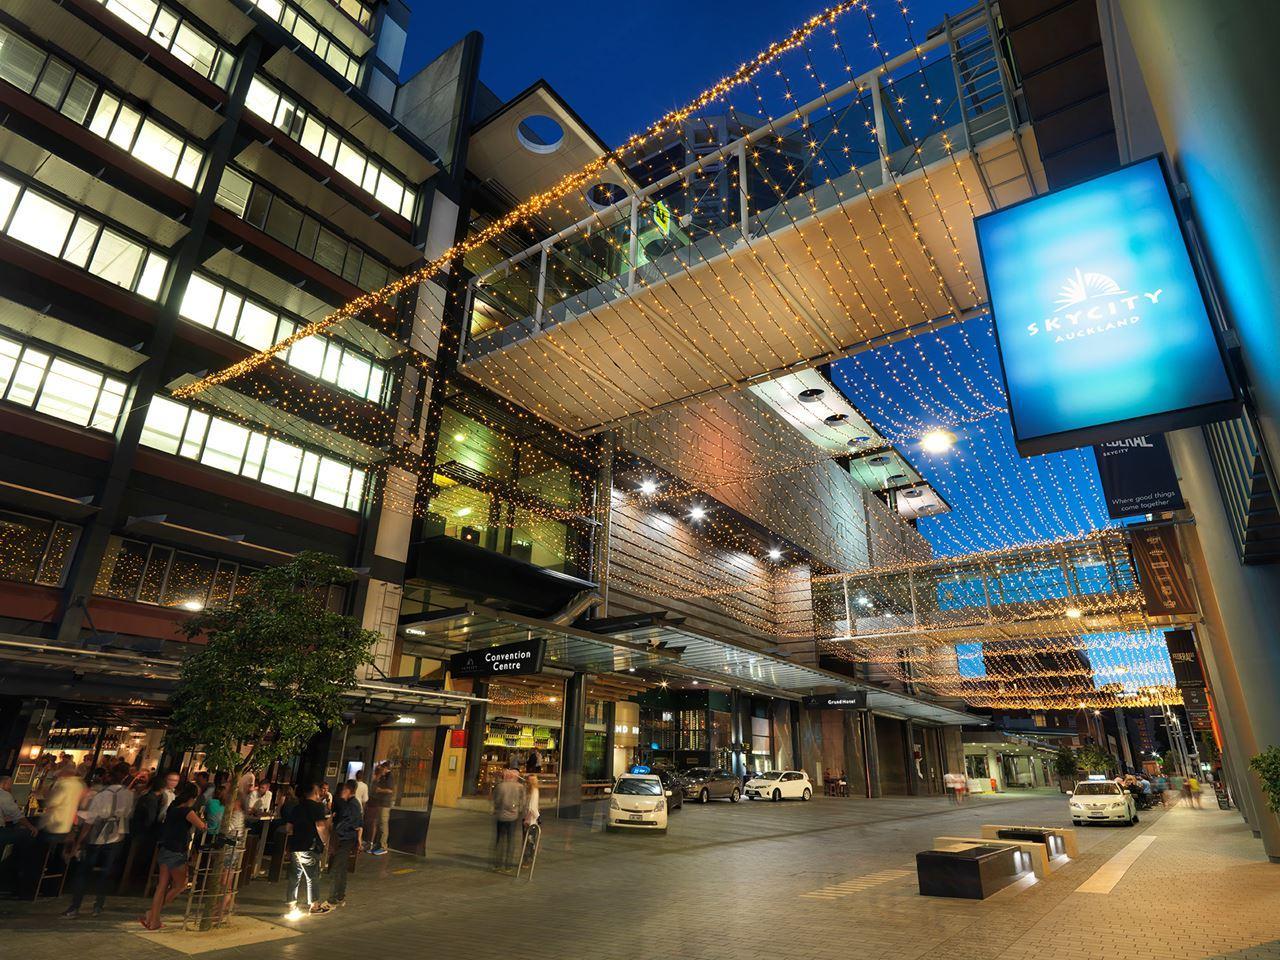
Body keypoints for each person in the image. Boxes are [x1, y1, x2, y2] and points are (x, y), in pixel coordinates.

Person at [65, 763, 135, 918]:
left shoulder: (101, 795)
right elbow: (129, 814)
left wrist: (78, 841)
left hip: (97, 836)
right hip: (117, 835)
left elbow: (90, 819)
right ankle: (98, 905)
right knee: (106, 872)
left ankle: (75, 906)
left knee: (84, 871)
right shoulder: (129, 794)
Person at [141, 782, 204, 930]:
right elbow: (202, 826)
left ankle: (153, 918)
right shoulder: (187, 811)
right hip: (176, 851)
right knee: (181, 884)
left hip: (165, 848)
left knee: (162, 886)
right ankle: (153, 914)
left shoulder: (173, 808)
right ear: (193, 797)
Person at [284, 782, 330, 916]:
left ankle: (291, 904)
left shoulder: (296, 808)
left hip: (296, 846)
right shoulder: (318, 807)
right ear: (315, 793)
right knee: (312, 876)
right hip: (310, 845)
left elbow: (288, 828)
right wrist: (326, 841)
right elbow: (320, 826)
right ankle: (314, 905)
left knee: (294, 876)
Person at [325, 780, 362, 908]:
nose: (342, 792)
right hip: (347, 839)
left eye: (344, 790)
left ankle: (333, 898)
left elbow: (351, 823)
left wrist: (335, 830)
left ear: (348, 790)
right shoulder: (353, 804)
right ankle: (339, 896)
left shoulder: (352, 805)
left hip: (345, 839)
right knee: (341, 868)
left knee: (336, 868)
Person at [0, 774, 37, 892]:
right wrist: (30, 826)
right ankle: (18, 878)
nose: (11, 787)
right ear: (4, 784)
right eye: (10, 784)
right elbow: (16, 814)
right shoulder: (4, 795)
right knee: (27, 836)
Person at [492, 769, 524, 873]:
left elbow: (496, 800)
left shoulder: (500, 786)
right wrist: (518, 811)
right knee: (511, 840)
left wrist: (497, 809)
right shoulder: (520, 787)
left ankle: (498, 863)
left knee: (500, 839)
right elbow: (522, 802)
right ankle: (508, 865)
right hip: (513, 817)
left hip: (501, 815)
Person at [367, 763, 393, 855]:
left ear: (386, 768)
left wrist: (380, 790)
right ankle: (378, 844)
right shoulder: (383, 776)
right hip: (380, 803)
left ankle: (383, 846)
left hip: (385, 804)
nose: (381, 770)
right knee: (378, 823)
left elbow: (390, 790)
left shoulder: (389, 777)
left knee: (383, 824)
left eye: (382, 768)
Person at [522, 774, 541, 841]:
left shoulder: (534, 791)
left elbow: (532, 807)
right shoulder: (530, 790)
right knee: (528, 838)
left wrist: (527, 818)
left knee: (528, 838)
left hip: (530, 818)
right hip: (529, 817)